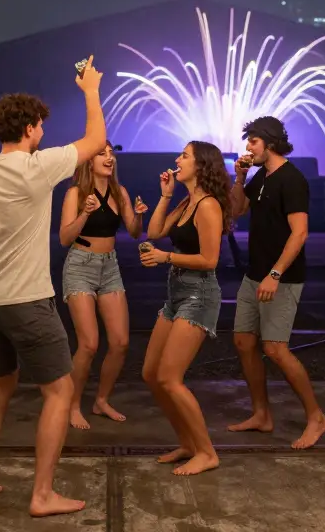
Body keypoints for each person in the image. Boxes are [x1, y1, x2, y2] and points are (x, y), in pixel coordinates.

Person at [0, 57, 107, 517]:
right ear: (33, 128)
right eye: (41, 125)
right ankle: (42, 495)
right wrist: (91, 89)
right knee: (58, 392)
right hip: (28, 301)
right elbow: (95, 141)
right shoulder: (37, 167)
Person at [226, 116, 325, 449]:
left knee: (275, 349)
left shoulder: (292, 180)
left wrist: (275, 274)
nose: (247, 148)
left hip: (280, 278)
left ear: (268, 142)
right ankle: (261, 414)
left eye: (252, 142)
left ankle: (317, 417)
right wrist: (240, 176)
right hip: (253, 273)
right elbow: (237, 210)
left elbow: (300, 233)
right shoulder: (261, 176)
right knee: (244, 341)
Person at [139, 141, 231, 477]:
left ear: (201, 165)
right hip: (175, 293)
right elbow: (154, 232)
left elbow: (210, 260)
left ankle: (207, 452)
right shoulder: (185, 201)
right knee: (151, 374)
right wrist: (164, 195)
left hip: (199, 294)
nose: (177, 160)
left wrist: (166, 257)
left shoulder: (208, 206)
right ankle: (188, 443)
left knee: (169, 378)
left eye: (184, 156)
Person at [58, 142, 148, 430]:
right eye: (102, 153)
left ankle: (101, 400)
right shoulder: (75, 193)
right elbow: (63, 238)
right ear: (88, 161)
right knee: (89, 344)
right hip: (80, 266)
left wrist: (139, 213)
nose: (109, 158)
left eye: (111, 154)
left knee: (120, 342)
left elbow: (134, 232)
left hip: (110, 266)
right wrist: (85, 213)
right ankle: (71, 405)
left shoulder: (119, 192)